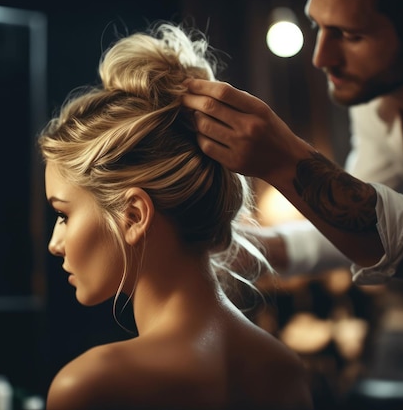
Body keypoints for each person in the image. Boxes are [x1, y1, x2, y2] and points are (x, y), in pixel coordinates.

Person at [38, 22, 313, 410]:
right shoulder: (285, 372)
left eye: (63, 215)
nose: (55, 242)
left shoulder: (90, 386)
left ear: (133, 215)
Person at [183, 0, 403, 302]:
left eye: (351, 36)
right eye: (318, 26)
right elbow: (357, 218)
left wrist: (282, 160)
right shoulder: (375, 90)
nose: (321, 58)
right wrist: (249, 249)